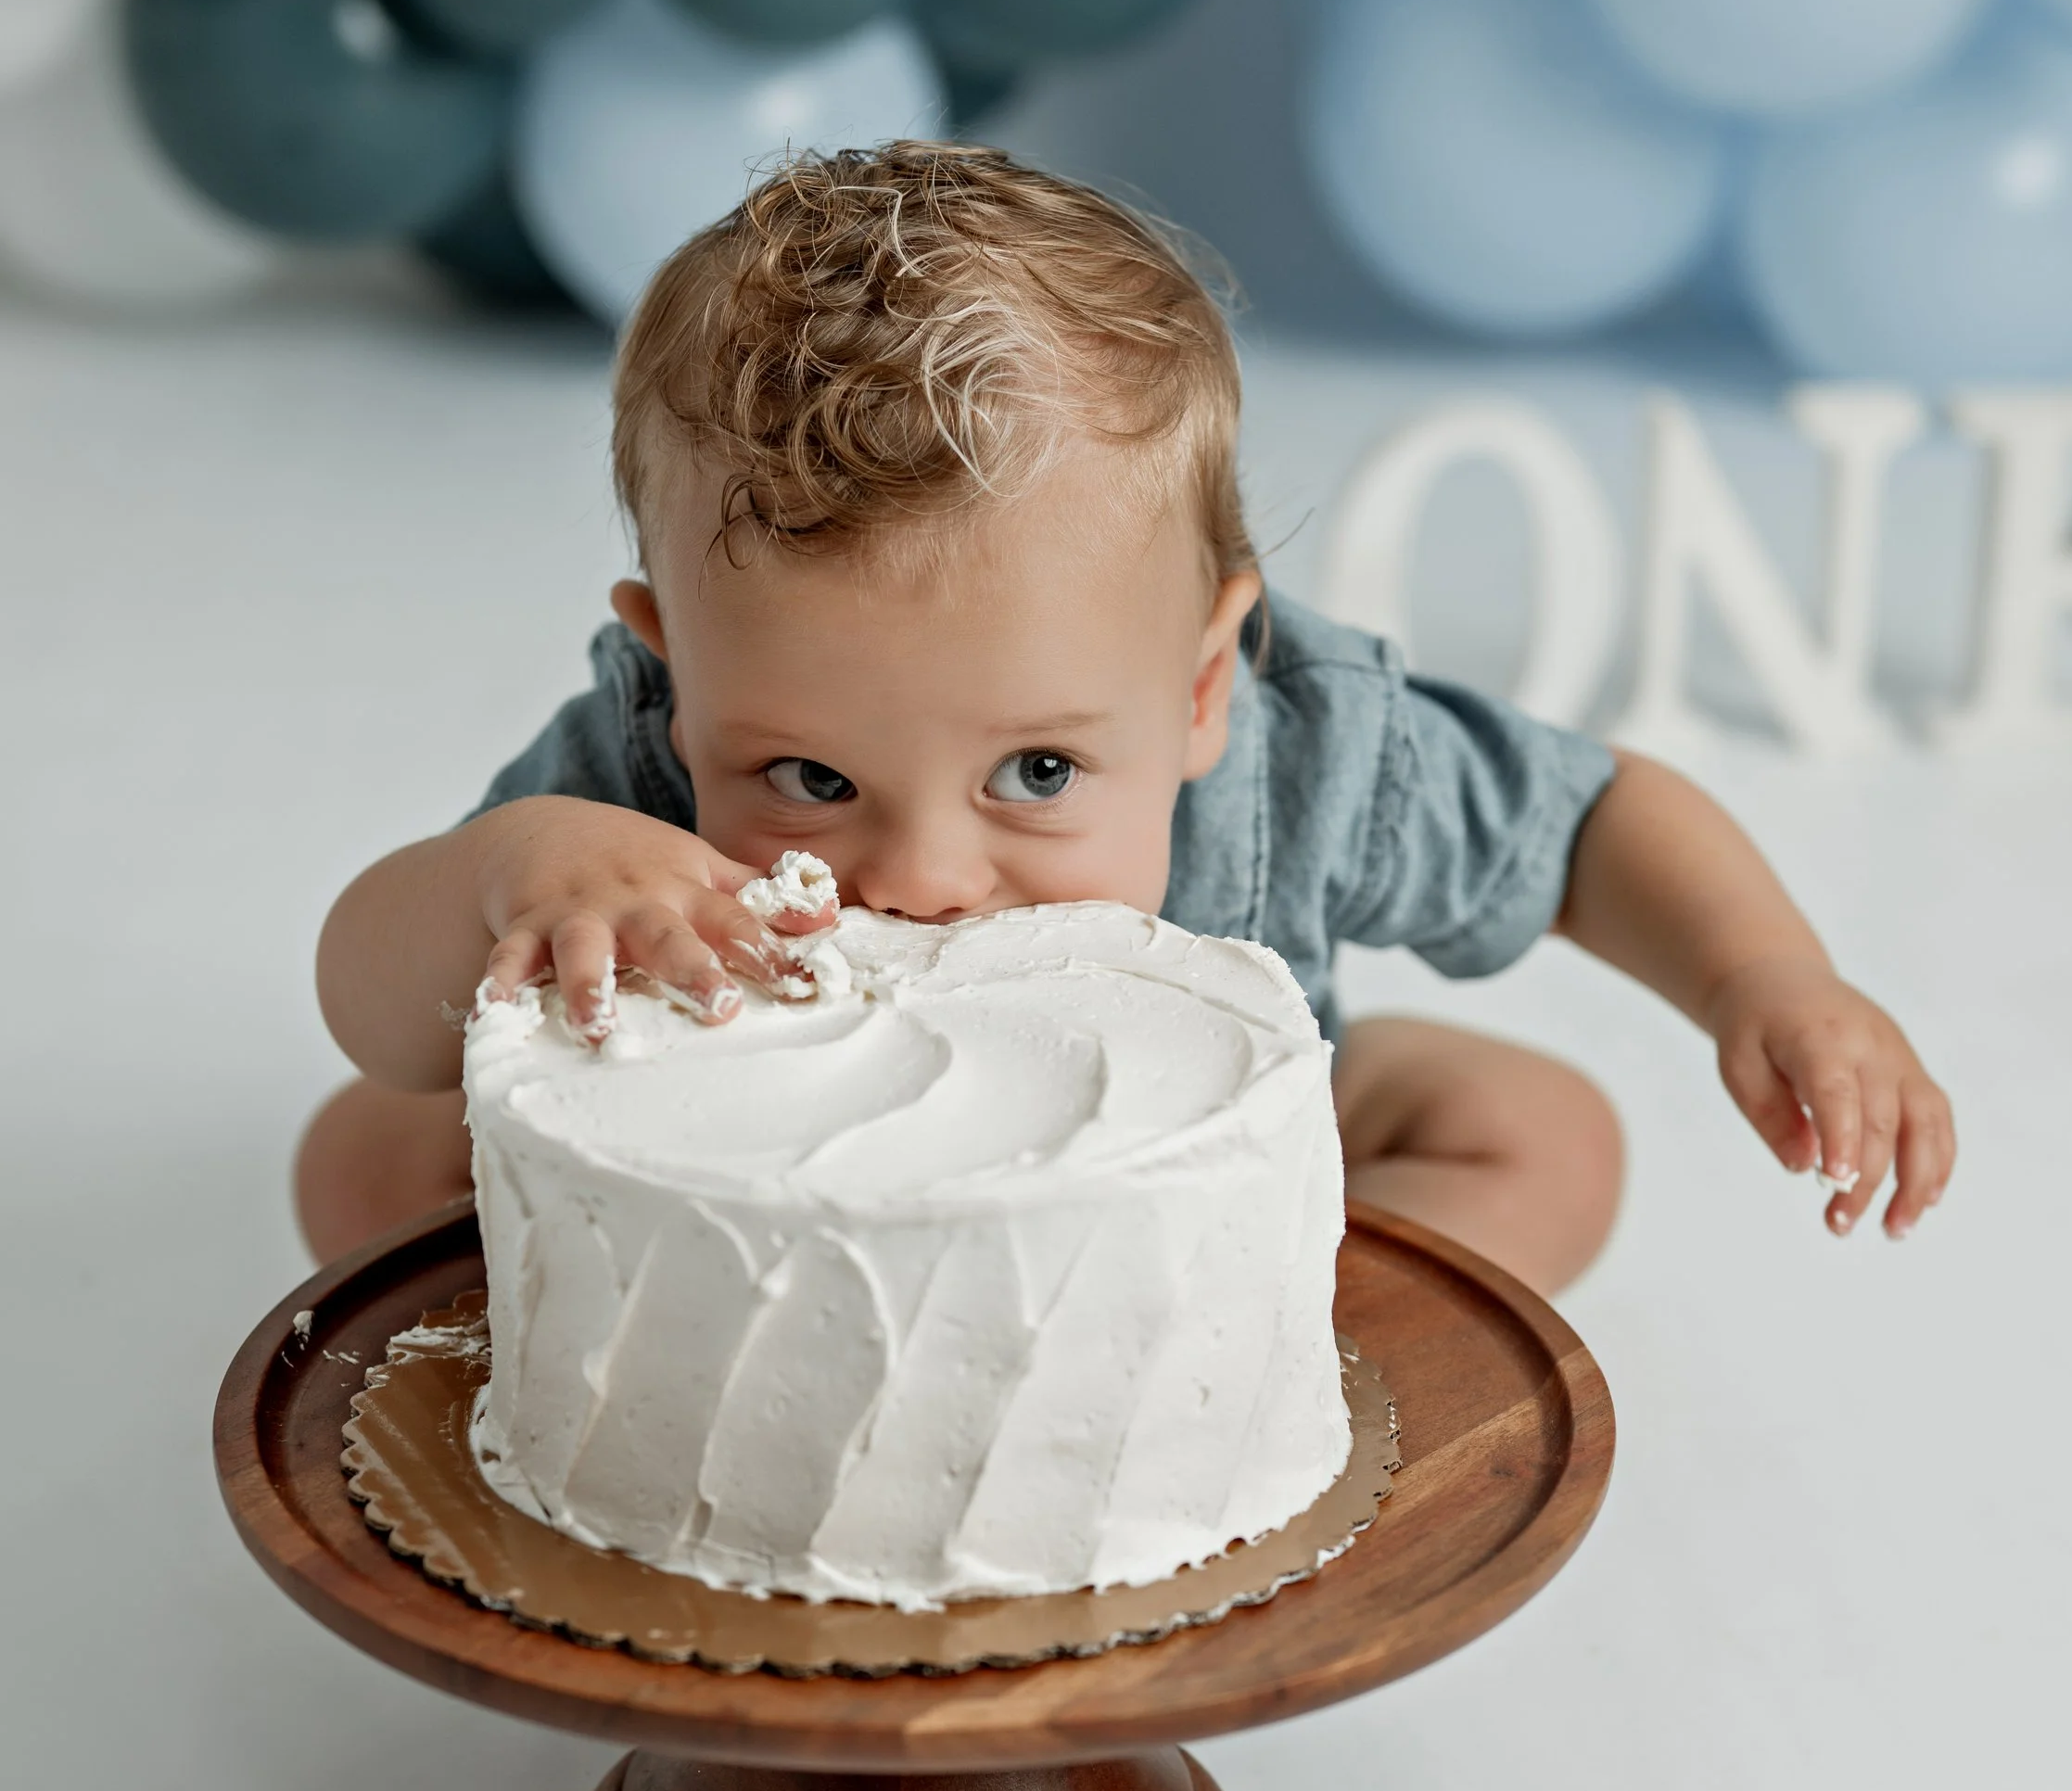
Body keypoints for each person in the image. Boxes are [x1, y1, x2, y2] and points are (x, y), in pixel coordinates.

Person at [301, 142, 1954, 1292]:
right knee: (361, 1157)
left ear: (1200, 689)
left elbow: (1588, 825)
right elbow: (368, 999)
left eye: (1037, 771)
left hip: (1183, 1201)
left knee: (1549, 1137)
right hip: (763, 1213)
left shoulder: (1307, 759)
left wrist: (1766, 974)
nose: (929, 877)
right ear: (679, 674)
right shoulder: (637, 802)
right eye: (808, 775)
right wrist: (516, 865)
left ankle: (1279, 1334)